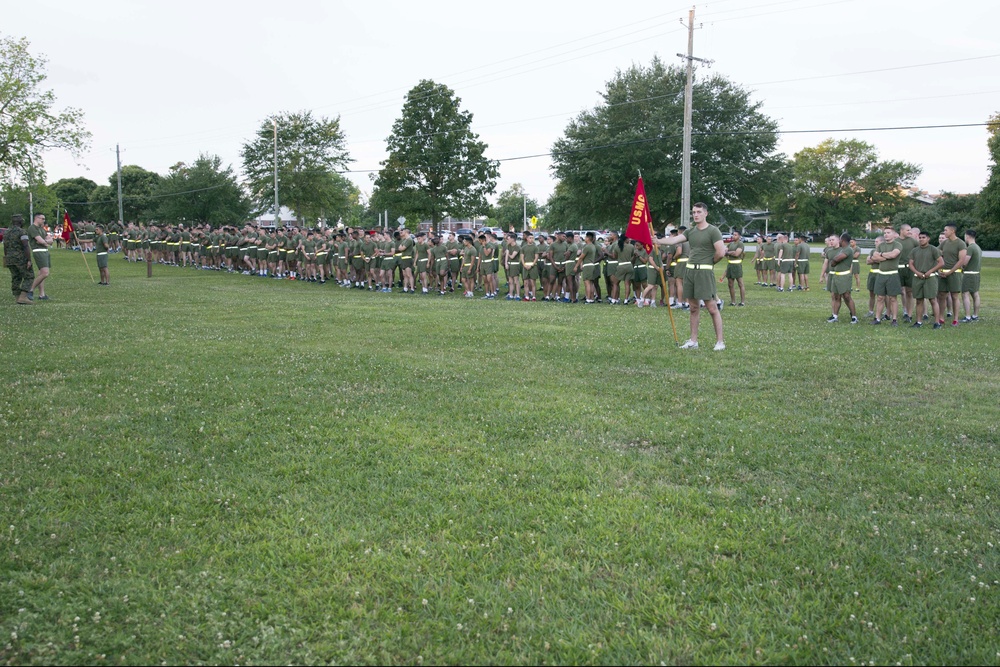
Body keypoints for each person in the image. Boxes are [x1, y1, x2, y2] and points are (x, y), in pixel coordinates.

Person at [657, 203, 726, 350]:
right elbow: (674, 240)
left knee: (712, 307)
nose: (696, 215)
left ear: (706, 213)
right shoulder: (690, 232)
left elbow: (720, 252)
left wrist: (709, 263)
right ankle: (693, 341)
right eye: (694, 212)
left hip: (704, 272)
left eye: (699, 212)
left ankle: (720, 342)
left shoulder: (713, 231)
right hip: (689, 271)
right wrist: (658, 241)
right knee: (693, 307)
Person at [908, 230, 943, 328]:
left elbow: (941, 262)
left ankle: (937, 322)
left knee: (933, 300)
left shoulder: (933, 249)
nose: (921, 239)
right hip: (918, 278)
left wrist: (930, 271)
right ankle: (919, 322)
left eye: (923, 237)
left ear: (928, 239)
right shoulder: (914, 250)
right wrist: (917, 273)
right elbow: (910, 264)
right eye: (920, 237)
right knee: (919, 300)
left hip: (930, 278)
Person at [936, 223, 967, 327]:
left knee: (954, 296)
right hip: (943, 272)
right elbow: (938, 255)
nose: (944, 232)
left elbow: (961, 260)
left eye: (946, 230)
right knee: (942, 295)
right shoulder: (944, 243)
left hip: (954, 273)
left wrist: (950, 271)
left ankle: (955, 319)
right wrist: (940, 269)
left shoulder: (960, 243)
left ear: (952, 231)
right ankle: (941, 317)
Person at [870, 226, 902, 326]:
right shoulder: (880, 245)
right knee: (880, 298)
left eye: (888, 232)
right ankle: (877, 318)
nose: (886, 234)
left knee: (893, 298)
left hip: (892, 274)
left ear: (893, 234)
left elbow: (894, 255)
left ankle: (894, 320)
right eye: (885, 233)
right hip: (881, 274)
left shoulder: (897, 244)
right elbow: (875, 257)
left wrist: (882, 255)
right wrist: (886, 256)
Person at [825, 233, 859, 324]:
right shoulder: (842, 249)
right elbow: (833, 261)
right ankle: (835, 316)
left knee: (847, 296)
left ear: (843, 240)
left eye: (839, 239)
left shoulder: (848, 249)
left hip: (844, 276)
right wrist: (834, 260)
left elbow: (837, 259)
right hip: (836, 275)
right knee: (836, 296)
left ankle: (854, 316)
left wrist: (835, 260)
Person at [4, 214, 35, 305]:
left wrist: (6, 258)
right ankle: (23, 296)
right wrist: (29, 259)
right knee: (29, 276)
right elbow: (25, 245)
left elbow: (5, 247)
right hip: (20, 258)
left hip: (9, 258)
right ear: (21, 222)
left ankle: (17, 297)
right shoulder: (22, 232)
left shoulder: (7, 232)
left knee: (15, 277)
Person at [27, 213, 52, 300]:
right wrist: (45, 242)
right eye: (42, 219)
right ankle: (30, 290)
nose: (44, 220)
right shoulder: (32, 228)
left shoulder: (41, 229)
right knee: (45, 273)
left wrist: (45, 241)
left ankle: (42, 294)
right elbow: (40, 241)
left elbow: (50, 240)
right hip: (39, 251)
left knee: (41, 273)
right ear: (36, 218)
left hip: (45, 251)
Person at [959, 229, 981, 323]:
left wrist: (960, 267)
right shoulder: (978, 247)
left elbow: (965, 262)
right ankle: (975, 315)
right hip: (977, 274)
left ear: (967, 236)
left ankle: (967, 316)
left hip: (969, 274)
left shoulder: (970, 248)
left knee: (965, 294)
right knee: (975, 294)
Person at [724, 232, 745, 306]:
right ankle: (733, 301)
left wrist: (729, 253)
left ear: (739, 236)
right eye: (733, 235)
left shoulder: (740, 244)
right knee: (730, 284)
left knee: (740, 283)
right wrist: (731, 252)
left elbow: (737, 254)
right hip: (730, 265)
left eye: (735, 235)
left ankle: (742, 302)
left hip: (737, 265)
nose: (734, 236)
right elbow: (724, 252)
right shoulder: (730, 244)